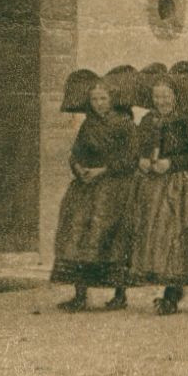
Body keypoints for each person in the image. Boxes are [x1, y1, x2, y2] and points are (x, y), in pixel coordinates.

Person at [127, 67, 188, 314]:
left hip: (183, 186)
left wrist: (173, 163)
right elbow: (137, 150)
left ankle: (172, 293)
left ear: (175, 95)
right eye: (156, 96)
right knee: (158, 238)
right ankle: (168, 289)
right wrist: (142, 160)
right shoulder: (147, 120)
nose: (161, 101)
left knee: (177, 237)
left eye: (165, 95)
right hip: (154, 187)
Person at [50, 73, 136, 312]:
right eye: (95, 99)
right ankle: (80, 294)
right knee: (76, 233)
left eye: (103, 98)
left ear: (112, 99)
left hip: (115, 188)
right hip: (86, 188)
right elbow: (76, 152)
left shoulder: (125, 124)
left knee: (113, 237)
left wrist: (104, 170)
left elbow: (131, 158)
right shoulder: (88, 124)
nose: (99, 103)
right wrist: (78, 167)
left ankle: (119, 294)